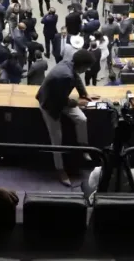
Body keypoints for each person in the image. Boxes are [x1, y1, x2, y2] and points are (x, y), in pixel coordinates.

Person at [37, 50, 99, 186]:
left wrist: (84, 94)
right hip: (49, 104)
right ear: (82, 66)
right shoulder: (65, 76)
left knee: (82, 119)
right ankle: (60, 170)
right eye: (87, 67)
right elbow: (59, 100)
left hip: (60, 98)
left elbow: (77, 79)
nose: (87, 70)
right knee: (56, 139)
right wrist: (77, 102)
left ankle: (83, 149)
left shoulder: (70, 63)